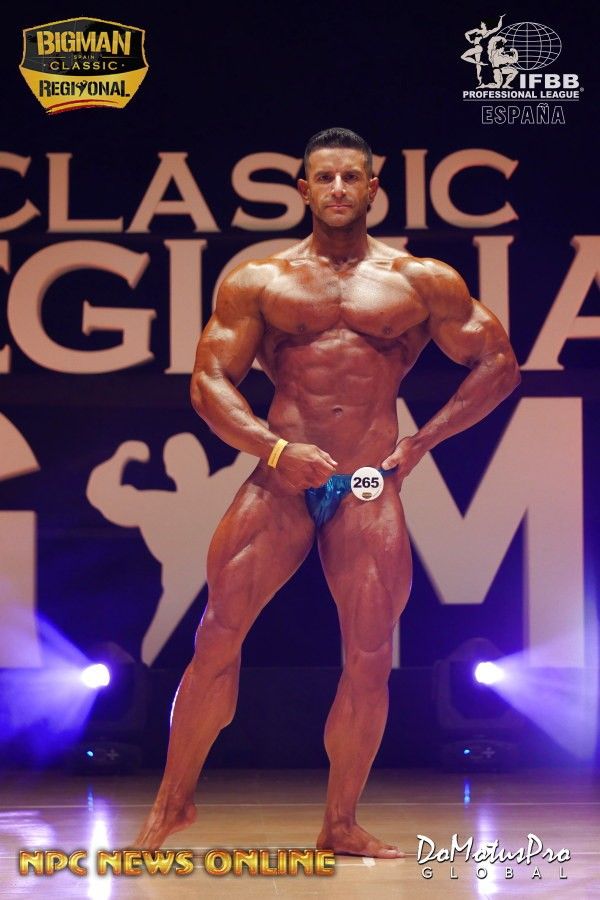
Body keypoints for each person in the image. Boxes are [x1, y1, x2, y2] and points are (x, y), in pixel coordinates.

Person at [135, 127, 520, 858]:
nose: (338, 188)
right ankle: (171, 807)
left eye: (351, 177)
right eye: (325, 178)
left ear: (373, 189)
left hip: (368, 485)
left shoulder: (419, 280)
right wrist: (273, 449)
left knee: (369, 656)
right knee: (217, 636)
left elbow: (498, 364)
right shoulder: (261, 280)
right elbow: (208, 382)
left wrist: (422, 442)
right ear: (304, 190)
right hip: (280, 479)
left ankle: (340, 823)